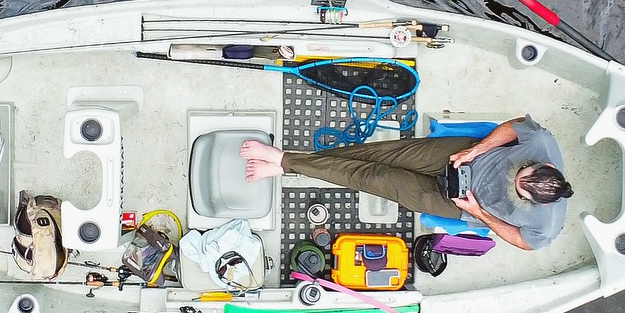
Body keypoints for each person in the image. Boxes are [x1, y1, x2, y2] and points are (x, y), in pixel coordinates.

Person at [240, 116, 572, 251]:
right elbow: (515, 126)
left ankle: (283, 161)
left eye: (519, 189)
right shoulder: (542, 143)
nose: (516, 180)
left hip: (453, 203)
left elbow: (521, 241)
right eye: (520, 173)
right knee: (377, 154)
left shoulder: (545, 228)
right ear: (544, 164)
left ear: (534, 202)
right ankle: (287, 164)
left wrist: (479, 213)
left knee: (372, 178)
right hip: (458, 157)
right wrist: (478, 148)